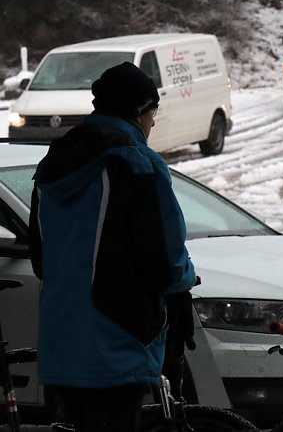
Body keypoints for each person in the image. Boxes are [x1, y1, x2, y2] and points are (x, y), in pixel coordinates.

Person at [29, 62, 197, 432]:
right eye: (153, 112)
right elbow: (165, 256)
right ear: (139, 112)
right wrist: (184, 285)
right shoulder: (136, 164)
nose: (153, 123)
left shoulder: (51, 165)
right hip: (119, 332)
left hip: (63, 336)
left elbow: (40, 258)